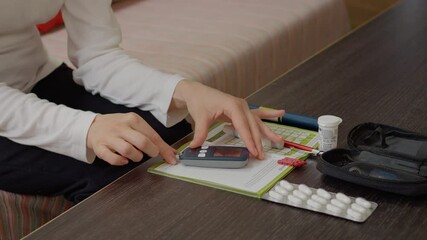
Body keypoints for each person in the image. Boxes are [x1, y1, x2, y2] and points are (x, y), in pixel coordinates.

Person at [0, 0, 285, 203]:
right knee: (111, 178)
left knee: (169, 137)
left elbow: (98, 56)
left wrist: (184, 90)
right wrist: (86, 128)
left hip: (37, 74)